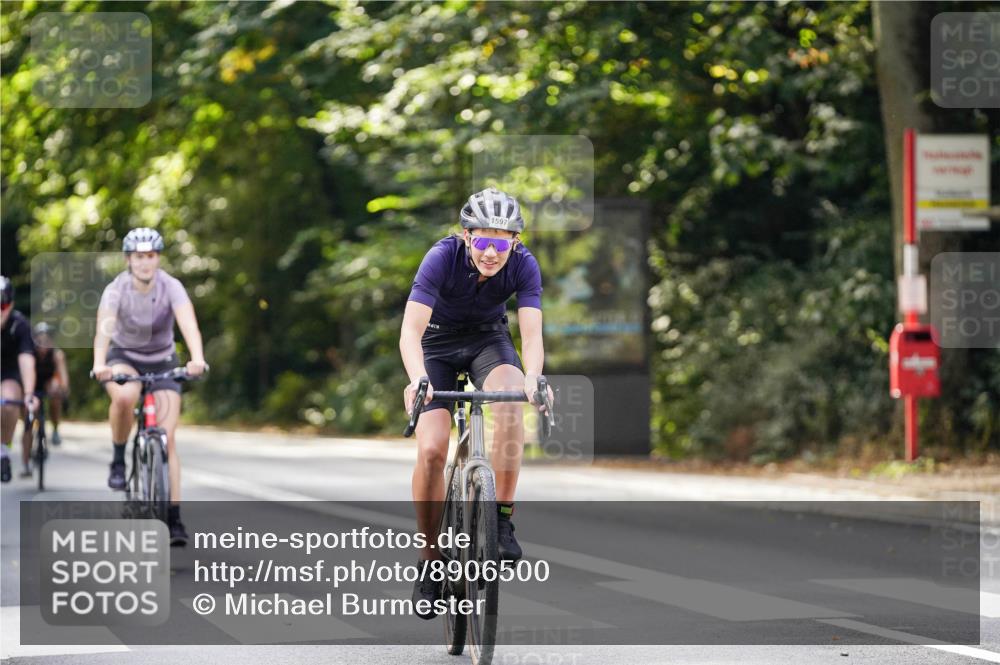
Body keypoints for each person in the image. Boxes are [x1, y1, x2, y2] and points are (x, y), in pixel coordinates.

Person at [399, 187, 550, 618]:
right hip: (437, 344)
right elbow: (410, 331)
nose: (491, 251)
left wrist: (535, 378)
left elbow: (532, 334)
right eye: (483, 240)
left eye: (501, 242)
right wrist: (417, 379)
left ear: (515, 243)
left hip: (488, 340)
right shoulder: (441, 257)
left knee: (510, 403)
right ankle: (430, 561)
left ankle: (501, 518)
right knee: (431, 449)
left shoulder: (522, 264)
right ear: (467, 237)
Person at [91, 228, 207, 546]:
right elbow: (104, 329)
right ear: (129, 260)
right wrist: (100, 363)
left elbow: (189, 324)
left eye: (151, 256)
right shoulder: (116, 290)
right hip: (124, 356)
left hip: (163, 360)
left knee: (168, 440)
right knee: (126, 397)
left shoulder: (172, 286)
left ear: (158, 258)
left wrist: (197, 358)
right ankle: (118, 457)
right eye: (139, 257)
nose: (145, 263)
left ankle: (174, 518)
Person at [1, 275, 39, 483]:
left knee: (8, 402)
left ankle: (3, 452)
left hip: (8, 373)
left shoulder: (20, 325)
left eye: (3, 305)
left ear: (11, 304)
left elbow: (26, 361)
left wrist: (29, 394)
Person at [18, 323, 70, 472]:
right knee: (28, 423)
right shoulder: (29, 354)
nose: (43, 345)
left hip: (47, 385)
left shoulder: (56, 355)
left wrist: (63, 391)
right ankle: (26, 463)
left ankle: (55, 429)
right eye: (39, 341)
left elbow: (63, 379)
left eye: (47, 341)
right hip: (31, 387)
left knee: (55, 389)